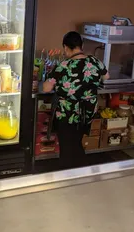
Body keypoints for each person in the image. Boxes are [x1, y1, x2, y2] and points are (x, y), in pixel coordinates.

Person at [43, 31, 109, 169]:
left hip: (67, 114)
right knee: (77, 141)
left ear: (66, 47)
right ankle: (78, 171)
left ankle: (72, 173)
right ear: (81, 45)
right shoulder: (95, 62)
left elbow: (47, 88)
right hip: (87, 113)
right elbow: (106, 76)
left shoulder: (63, 66)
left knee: (67, 147)